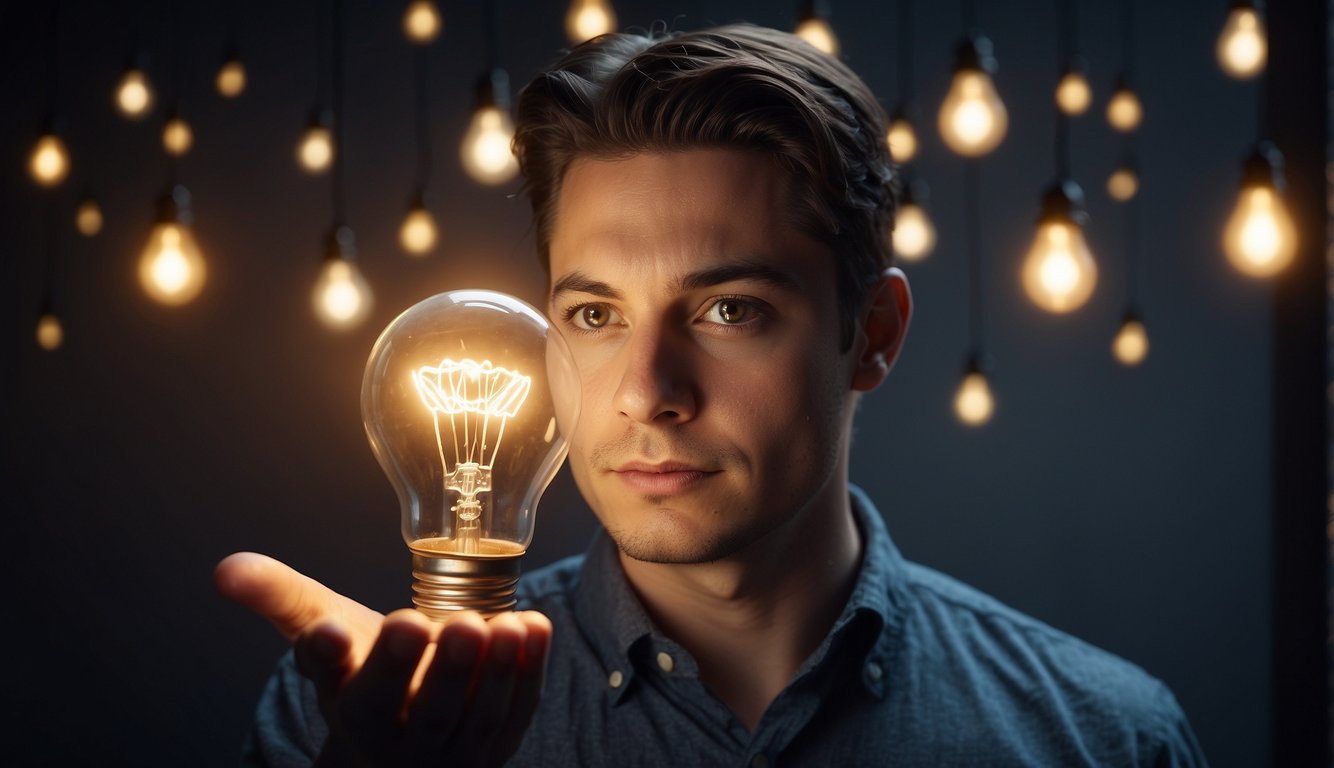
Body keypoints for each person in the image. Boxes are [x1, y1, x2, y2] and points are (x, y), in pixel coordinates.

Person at [216, 23, 1207, 767]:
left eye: (728, 311)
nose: (646, 393)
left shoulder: (1100, 738)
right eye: (596, 317)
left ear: (871, 335)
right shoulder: (352, 721)